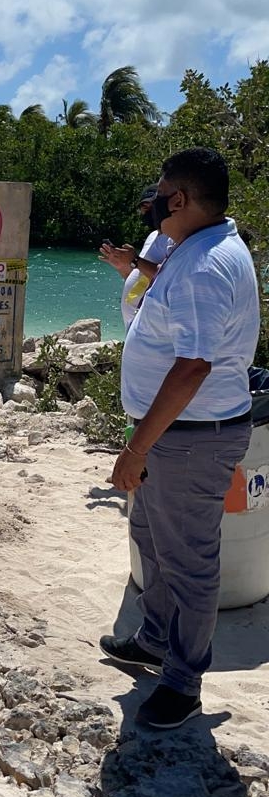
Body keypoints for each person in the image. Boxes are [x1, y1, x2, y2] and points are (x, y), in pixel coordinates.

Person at [100, 147, 260, 729]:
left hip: (190, 439)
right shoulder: (191, 248)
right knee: (152, 537)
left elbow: (193, 368)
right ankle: (154, 639)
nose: (151, 199)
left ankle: (183, 682)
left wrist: (136, 447)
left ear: (181, 199)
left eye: (160, 191)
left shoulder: (203, 267)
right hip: (173, 432)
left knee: (189, 559)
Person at [99, 185, 172, 328]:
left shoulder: (174, 238)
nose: (147, 210)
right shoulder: (152, 237)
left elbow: (169, 279)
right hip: (136, 326)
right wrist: (123, 267)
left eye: (151, 205)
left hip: (153, 328)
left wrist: (135, 260)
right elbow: (143, 280)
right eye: (143, 206)